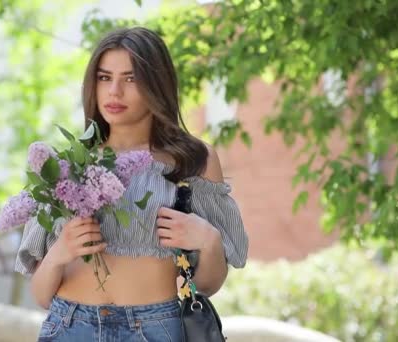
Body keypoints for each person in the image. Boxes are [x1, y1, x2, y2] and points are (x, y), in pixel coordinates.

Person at [14, 27, 248, 342]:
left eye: (131, 79)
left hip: (156, 329)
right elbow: (42, 297)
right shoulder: (68, 165)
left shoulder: (193, 160)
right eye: (104, 77)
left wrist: (209, 241)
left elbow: (207, 285)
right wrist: (60, 252)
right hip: (70, 326)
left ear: (157, 84)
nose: (114, 92)